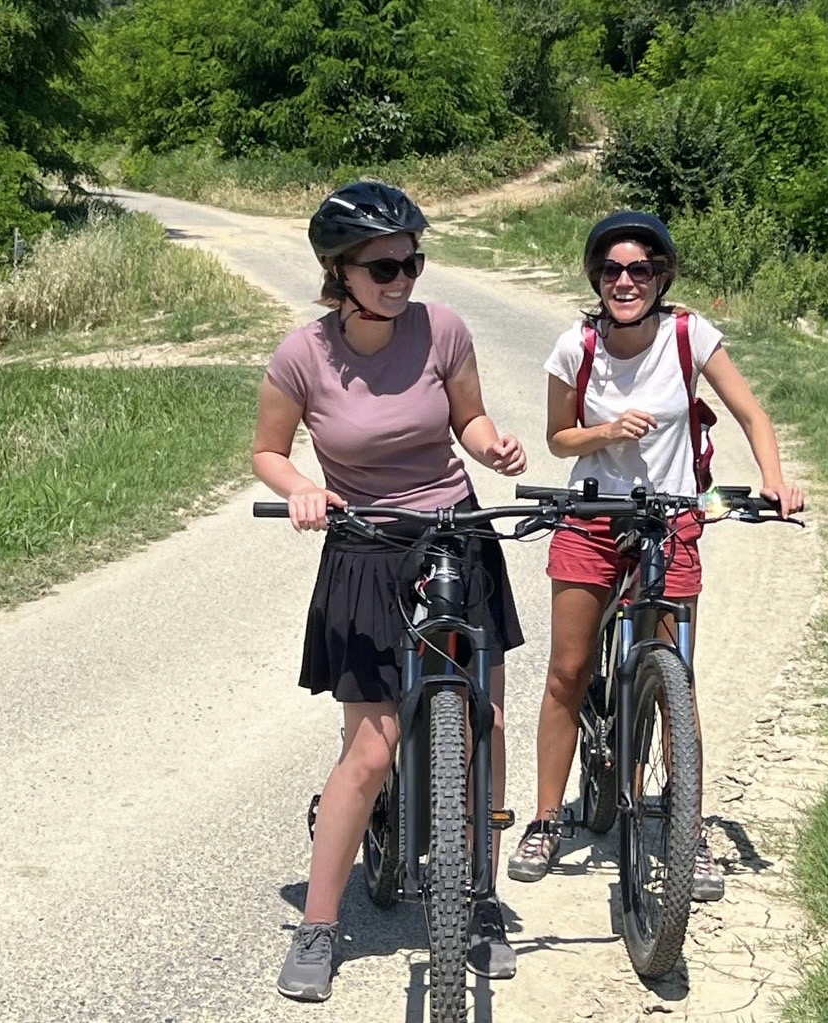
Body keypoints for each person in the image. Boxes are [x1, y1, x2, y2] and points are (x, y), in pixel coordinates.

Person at [253, 180, 527, 1002]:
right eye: (384, 266)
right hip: (365, 545)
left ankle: (477, 898)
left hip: (454, 532)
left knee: (485, 723)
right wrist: (301, 484)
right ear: (340, 272)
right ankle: (320, 922)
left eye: (413, 259)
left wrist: (495, 447)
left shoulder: (443, 329)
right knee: (370, 748)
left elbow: (468, 421)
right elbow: (267, 450)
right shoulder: (302, 355)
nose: (403, 277)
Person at [506, 210, 804, 898]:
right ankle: (549, 816)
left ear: (661, 276)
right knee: (569, 669)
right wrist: (605, 430)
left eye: (640, 269)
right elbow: (557, 438)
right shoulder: (574, 347)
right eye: (612, 270)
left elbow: (752, 415)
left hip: (669, 520)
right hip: (590, 517)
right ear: (596, 279)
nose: (625, 281)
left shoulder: (688, 335)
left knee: (673, 671)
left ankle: (685, 826)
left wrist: (775, 479)